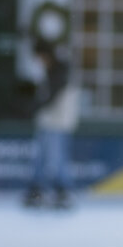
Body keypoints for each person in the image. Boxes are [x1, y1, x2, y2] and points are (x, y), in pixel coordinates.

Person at [23, 38, 80, 209]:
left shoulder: (60, 70)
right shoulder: (48, 70)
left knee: (57, 158)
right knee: (41, 158)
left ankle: (63, 191)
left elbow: (51, 96)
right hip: (48, 121)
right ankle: (38, 190)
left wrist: (33, 107)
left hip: (59, 122)